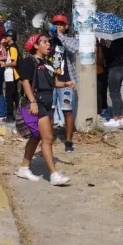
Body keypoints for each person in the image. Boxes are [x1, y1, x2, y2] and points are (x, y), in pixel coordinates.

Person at [15, 33, 72, 186]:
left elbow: (54, 83)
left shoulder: (46, 63)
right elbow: (25, 81)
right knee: (48, 139)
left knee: (37, 137)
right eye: (45, 42)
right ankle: (54, 175)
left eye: (49, 42)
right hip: (37, 103)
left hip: (47, 104)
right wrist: (32, 101)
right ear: (35, 45)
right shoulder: (29, 60)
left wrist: (66, 84)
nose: (49, 45)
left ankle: (23, 168)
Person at [52, 14, 79, 152]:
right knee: (48, 111)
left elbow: (74, 48)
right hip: (50, 81)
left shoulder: (70, 39)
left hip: (66, 80)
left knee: (67, 111)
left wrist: (60, 36)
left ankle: (68, 141)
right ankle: (47, 138)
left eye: (61, 25)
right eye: (56, 24)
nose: (58, 27)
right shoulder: (49, 41)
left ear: (66, 26)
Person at [102, 37, 123, 129]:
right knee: (117, 94)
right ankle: (120, 117)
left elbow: (109, 56)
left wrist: (104, 46)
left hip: (115, 69)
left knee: (114, 94)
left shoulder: (115, 44)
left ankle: (115, 118)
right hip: (122, 69)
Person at [1, 30, 20, 123]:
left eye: (7, 36)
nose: (5, 38)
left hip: (12, 76)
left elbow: (14, 62)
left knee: (10, 96)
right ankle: (16, 114)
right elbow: (9, 57)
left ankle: (9, 116)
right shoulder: (10, 47)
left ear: (11, 37)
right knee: (14, 95)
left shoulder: (13, 48)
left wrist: (4, 65)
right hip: (10, 75)